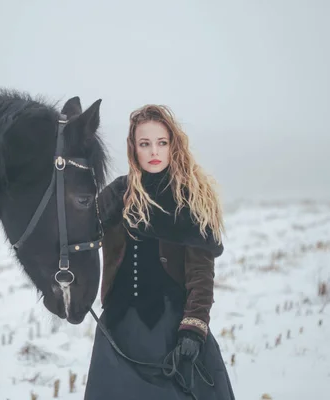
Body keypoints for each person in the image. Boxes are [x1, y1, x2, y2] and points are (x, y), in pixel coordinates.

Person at [84, 104, 235, 400]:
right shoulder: (118, 194)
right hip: (118, 327)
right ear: (134, 149)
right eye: (145, 143)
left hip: (171, 329)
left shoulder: (191, 199)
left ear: (172, 145)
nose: (154, 151)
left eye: (161, 143)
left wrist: (193, 330)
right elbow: (78, 235)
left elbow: (201, 277)